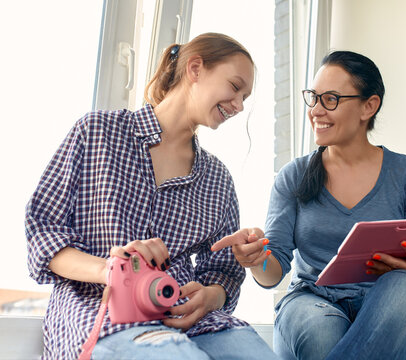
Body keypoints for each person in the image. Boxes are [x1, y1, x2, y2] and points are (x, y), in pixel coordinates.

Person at [25, 32, 278, 360]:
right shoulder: (97, 133)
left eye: (245, 96)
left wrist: (211, 296)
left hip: (192, 321)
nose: (239, 105)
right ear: (196, 68)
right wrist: (112, 270)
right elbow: (43, 233)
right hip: (100, 313)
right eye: (234, 87)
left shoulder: (218, 179)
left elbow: (223, 272)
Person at [212, 50, 406, 360]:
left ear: (369, 106)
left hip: (388, 307)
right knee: (321, 332)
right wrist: (257, 257)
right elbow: (275, 269)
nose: (316, 110)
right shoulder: (294, 176)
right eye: (313, 97)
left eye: (331, 100)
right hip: (312, 303)